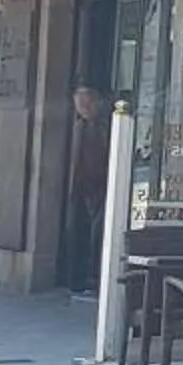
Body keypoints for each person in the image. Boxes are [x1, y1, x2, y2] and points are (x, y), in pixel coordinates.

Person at [60, 86, 110, 295]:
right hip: (80, 189)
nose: (84, 108)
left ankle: (95, 277)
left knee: (98, 235)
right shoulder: (77, 128)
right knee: (77, 232)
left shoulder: (105, 127)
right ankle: (77, 278)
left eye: (88, 103)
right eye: (80, 105)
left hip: (101, 187)